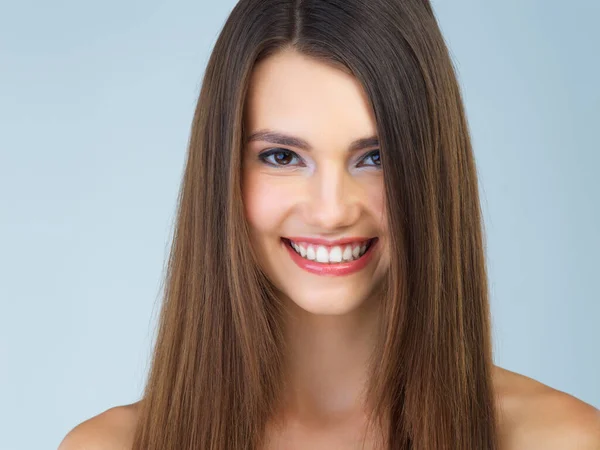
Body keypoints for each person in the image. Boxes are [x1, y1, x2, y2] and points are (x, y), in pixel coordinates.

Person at [58, 0, 600, 449]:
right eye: (281, 157)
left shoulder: (563, 439)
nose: (332, 210)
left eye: (376, 156)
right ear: (222, 173)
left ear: (430, 170)